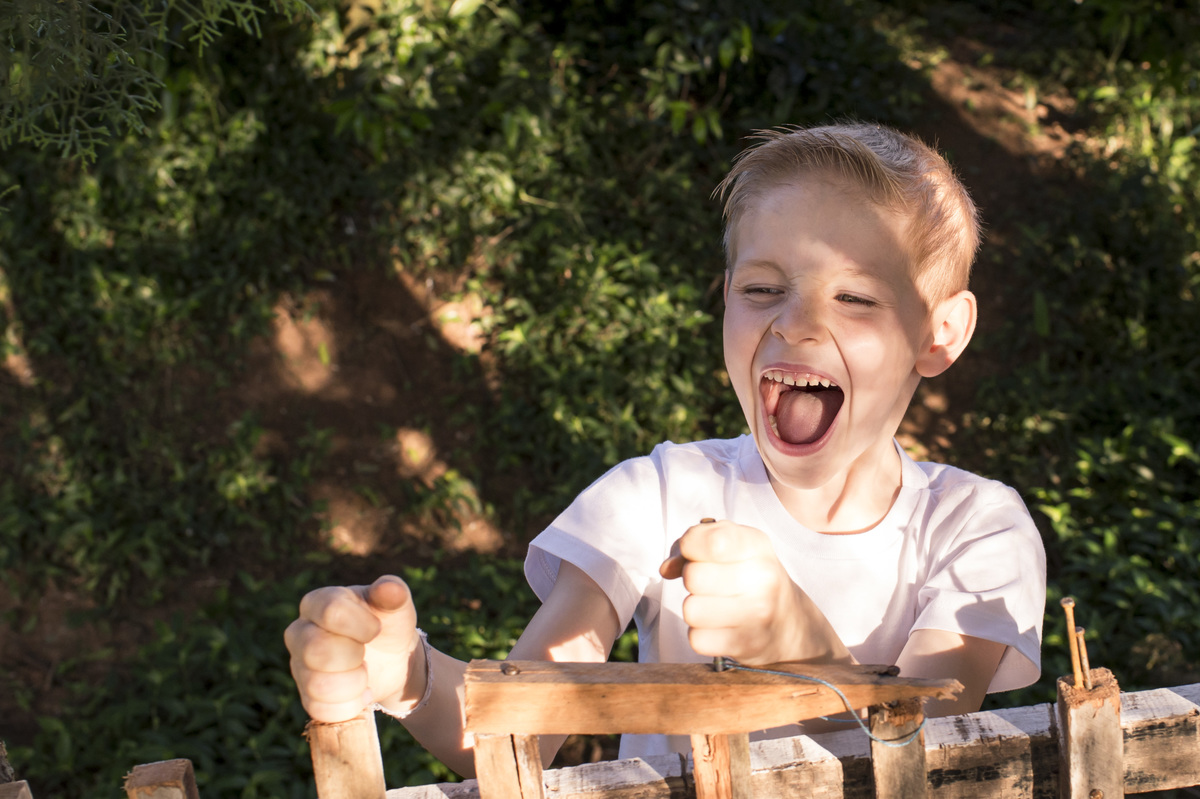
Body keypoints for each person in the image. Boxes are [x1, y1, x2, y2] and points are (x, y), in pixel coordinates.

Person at [284, 122, 1046, 776]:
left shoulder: (977, 528)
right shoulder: (658, 495)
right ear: (725, 298)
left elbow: (920, 758)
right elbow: (519, 728)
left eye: (855, 298)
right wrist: (408, 673)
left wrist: (806, 650)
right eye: (761, 289)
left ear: (940, 333)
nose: (796, 325)